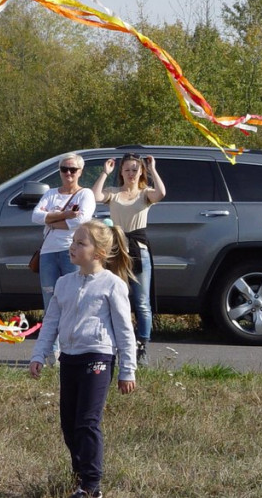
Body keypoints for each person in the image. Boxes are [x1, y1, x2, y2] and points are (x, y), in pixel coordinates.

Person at [29, 220, 137, 498]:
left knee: (87, 422)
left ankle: (91, 485)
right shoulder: (64, 283)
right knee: (69, 422)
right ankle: (79, 473)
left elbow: (125, 330)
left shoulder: (112, 285)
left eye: (80, 243)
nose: (72, 246)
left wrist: (128, 370)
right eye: (73, 241)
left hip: (98, 356)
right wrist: (39, 354)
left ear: (98, 253)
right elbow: (50, 323)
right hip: (70, 358)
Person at [91, 153, 165, 366]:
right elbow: (95, 196)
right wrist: (105, 172)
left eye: (135, 169)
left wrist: (153, 169)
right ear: (121, 172)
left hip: (138, 249)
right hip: (118, 249)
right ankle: (119, 343)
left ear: (140, 171)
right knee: (117, 298)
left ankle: (142, 345)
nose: (131, 174)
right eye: (127, 170)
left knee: (142, 302)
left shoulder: (145, 193)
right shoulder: (114, 193)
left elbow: (161, 193)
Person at [31, 153, 96, 364]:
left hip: (72, 253)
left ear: (80, 172)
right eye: (64, 169)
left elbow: (82, 220)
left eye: (73, 170)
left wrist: (52, 219)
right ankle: (51, 353)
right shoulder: (50, 194)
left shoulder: (85, 194)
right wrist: (65, 215)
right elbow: (35, 216)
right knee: (50, 302)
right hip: (48, 253)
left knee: (74, 300)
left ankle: (74, 349)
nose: (68, 173)